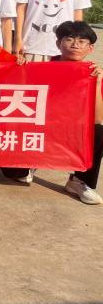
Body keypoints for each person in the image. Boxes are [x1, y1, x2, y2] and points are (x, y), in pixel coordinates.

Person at [51, 21, 103, 205]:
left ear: (90, 48)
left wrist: (97, 83)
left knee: (99, 132)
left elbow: (98, 118)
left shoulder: (93, 73)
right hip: (42, 127)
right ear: (58, 43)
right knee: (15, 174)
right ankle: (28, 165)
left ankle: (80, 181)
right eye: (69, 39)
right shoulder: (42, 68)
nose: (75, 45)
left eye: (82, 41)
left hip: (72, 129)